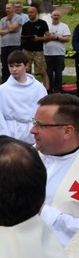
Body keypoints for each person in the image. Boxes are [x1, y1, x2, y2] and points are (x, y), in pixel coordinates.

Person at [32, 94, 79, 247]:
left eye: (40, 125)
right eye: (34, 123)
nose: (33, 130)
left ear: (67, 131)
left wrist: (44, 212)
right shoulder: (26, 158)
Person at [0, 50, 46, 144]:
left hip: (32, 135)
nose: (14, 69)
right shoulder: (3, 90)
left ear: (26, 65)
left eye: (18, 65)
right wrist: (3, 141)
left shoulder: (38, 88)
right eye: (11, 66)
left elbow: (44, 113)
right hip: (10, 135)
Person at [21, 6, 51, 90]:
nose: (30, 14)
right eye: (28, 13)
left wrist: (39, 38)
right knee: (26, 71)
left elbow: (48, 37)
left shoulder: (42, 23)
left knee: (42, 71)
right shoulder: (25, 25)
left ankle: (46, 90)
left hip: (38, 51)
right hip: (26, 50)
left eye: (31, 12)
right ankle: (26, 89)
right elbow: (22, 39)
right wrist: (24, 39)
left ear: (36, 13)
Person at [44, 10, 72, 93]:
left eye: (57, 15)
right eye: (54, 15)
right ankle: (49, 90)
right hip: (47, 54)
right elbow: (41, 38)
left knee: (58, 73)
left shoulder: (64, 26)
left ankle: (58, 90)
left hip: (59, 54)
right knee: (48, 73)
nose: (56, 17)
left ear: (60, 17)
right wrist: (50, 38)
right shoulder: (46, 26)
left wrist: (56, 38)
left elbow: (67, 39)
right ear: (51, 16)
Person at [0, 3, 23, 82]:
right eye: (6, 8)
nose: (7, 10)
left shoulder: (18, 18)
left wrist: (8, 21)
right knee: (5, 65)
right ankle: (5, 82)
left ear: (14, 8)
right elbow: (0, 32)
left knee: (15, 64)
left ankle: (16, 81)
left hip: (15, 45)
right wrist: (9, 30)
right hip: (4, 45)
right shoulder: (2, 19)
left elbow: (13, 28)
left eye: (9, 8)